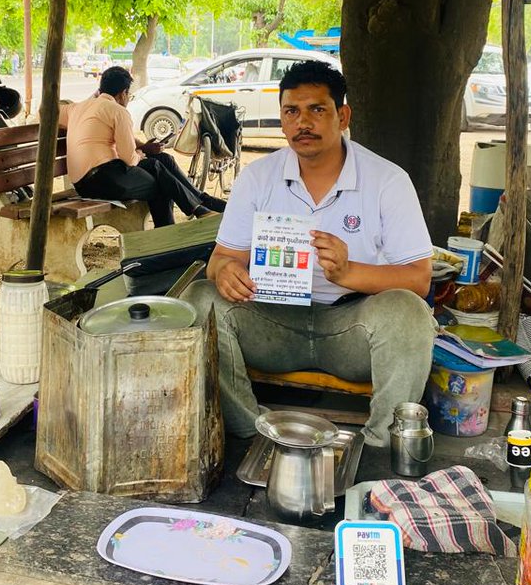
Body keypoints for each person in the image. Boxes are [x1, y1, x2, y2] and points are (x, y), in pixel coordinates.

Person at [184, 60, 436, 446]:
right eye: (292, 112)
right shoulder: (258, 177)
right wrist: (224, 273)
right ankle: (253, 433)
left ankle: (380, 443)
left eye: (317, 110)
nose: (303, 122)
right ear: (282, 119)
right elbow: (221, 259)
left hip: (352, 329)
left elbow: (418, 278)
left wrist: (348, 272)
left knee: (409, 314)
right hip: (275, 324)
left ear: (343, 115)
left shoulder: (387, 180)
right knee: (200, 300)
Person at [60, 66, 225, 227]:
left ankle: (199, 204)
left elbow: (43, 112)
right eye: (129, 94)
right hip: (102, 180)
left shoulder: (76, 108)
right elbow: (130, 159)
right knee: (159, 174)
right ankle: (188, 215)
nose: (128, 98)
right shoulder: (118, 111)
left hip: (83, 182)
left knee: (163, 160)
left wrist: (143, 148)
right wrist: (141, 152)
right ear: (123, 93)